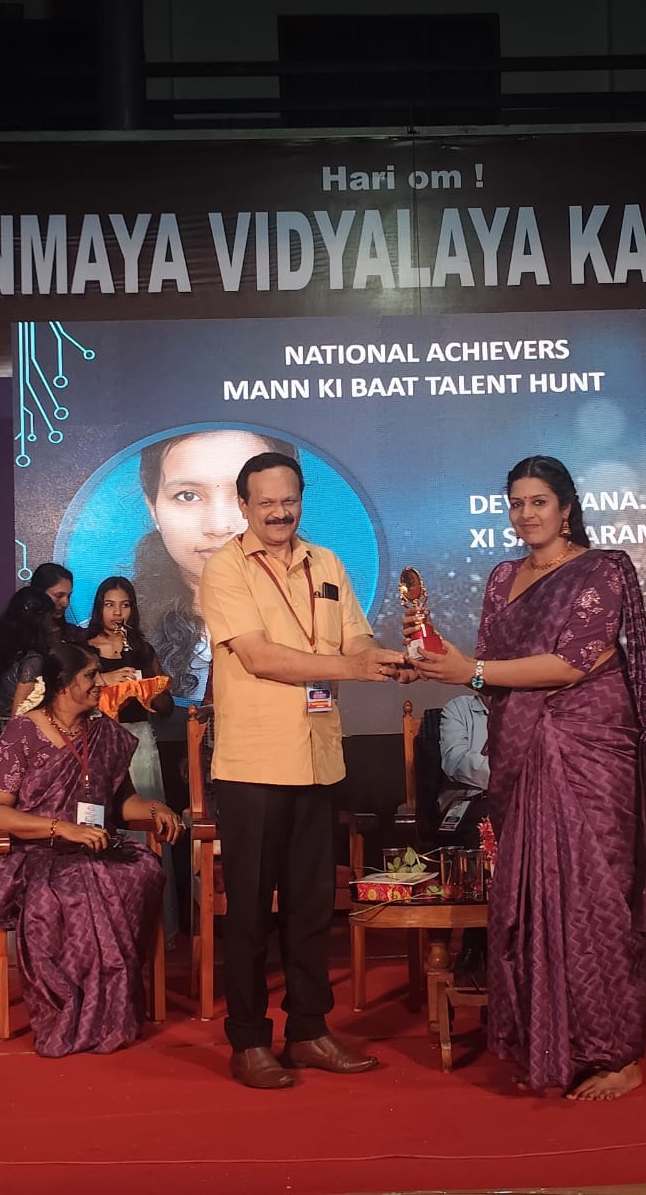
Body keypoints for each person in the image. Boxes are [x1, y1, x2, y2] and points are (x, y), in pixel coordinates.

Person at [408, 454, 646, 1101]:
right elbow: (490, 671)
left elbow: (573, 663)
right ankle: (552, 1044)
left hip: (588, 748)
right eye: (516, 503)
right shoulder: (503, 577)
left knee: (596, 896)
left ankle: (616, 1054)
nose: (525, 515)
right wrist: (432, 654)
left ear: (566, 508)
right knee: (533, 899)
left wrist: (469, 672)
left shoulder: (602, 569)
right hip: (522, 750)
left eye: (538, 502)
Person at [199, 451, 405, 1090]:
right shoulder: (225, 568)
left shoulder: (327, 563)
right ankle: (248, 1041)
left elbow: (354, 639)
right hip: (254, 762)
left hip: (318, 756)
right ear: (243, 505)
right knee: (249, 913)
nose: (279, 513)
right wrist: (353, 668)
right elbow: (260, 658)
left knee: (313, 909)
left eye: (289, 500)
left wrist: (384, 658)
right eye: (265, 502)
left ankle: (310, 1031)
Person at [0, 642, 182, 1057]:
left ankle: (109, 1007)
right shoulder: (24, 733)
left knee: (139, 871)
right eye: (90, 676)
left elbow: (121, 803)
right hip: (41, 852)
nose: (99, 683)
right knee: (69, 890)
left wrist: (155, 808)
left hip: (97, 846)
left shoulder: (104, 732)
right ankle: (73, 1007)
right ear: (62, 684)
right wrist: (62, 829)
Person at [134, 429, 295, 707]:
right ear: (153, 508)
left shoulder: (321, 616)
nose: (219, 526)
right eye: (187, 495)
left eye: (245, 495)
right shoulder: (118, 632)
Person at [86, 575, 178, 945]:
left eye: (124, 605)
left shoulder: (141, 649)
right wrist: (107, 680)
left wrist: (148, 692)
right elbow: (72, 696)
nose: (117, 612)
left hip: (140, 743)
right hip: (97, 742)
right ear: (99, 608)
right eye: (110, 605)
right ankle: (100, 924)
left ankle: (146, 926)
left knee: (145, 824)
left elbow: (166, 705)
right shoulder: (84, 649)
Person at [0, 562, 80, 701]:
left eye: (69, 596)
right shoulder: (8, 636)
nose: (65, 603)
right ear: (38, 594)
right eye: (59, 595)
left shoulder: (73, 636)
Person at [438, 693, 490, 984]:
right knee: (484, 822)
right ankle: (476, 940)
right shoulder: (459, 708)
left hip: (520, 799)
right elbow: (456, 761)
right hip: (467, 802)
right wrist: (507, 772)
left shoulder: (528, 704)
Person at [0, 586, 55, 761]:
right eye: (50, 619)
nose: (51, 627)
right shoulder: (33, 661)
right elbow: (18, 716)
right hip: (17, 750)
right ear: (39, 621)